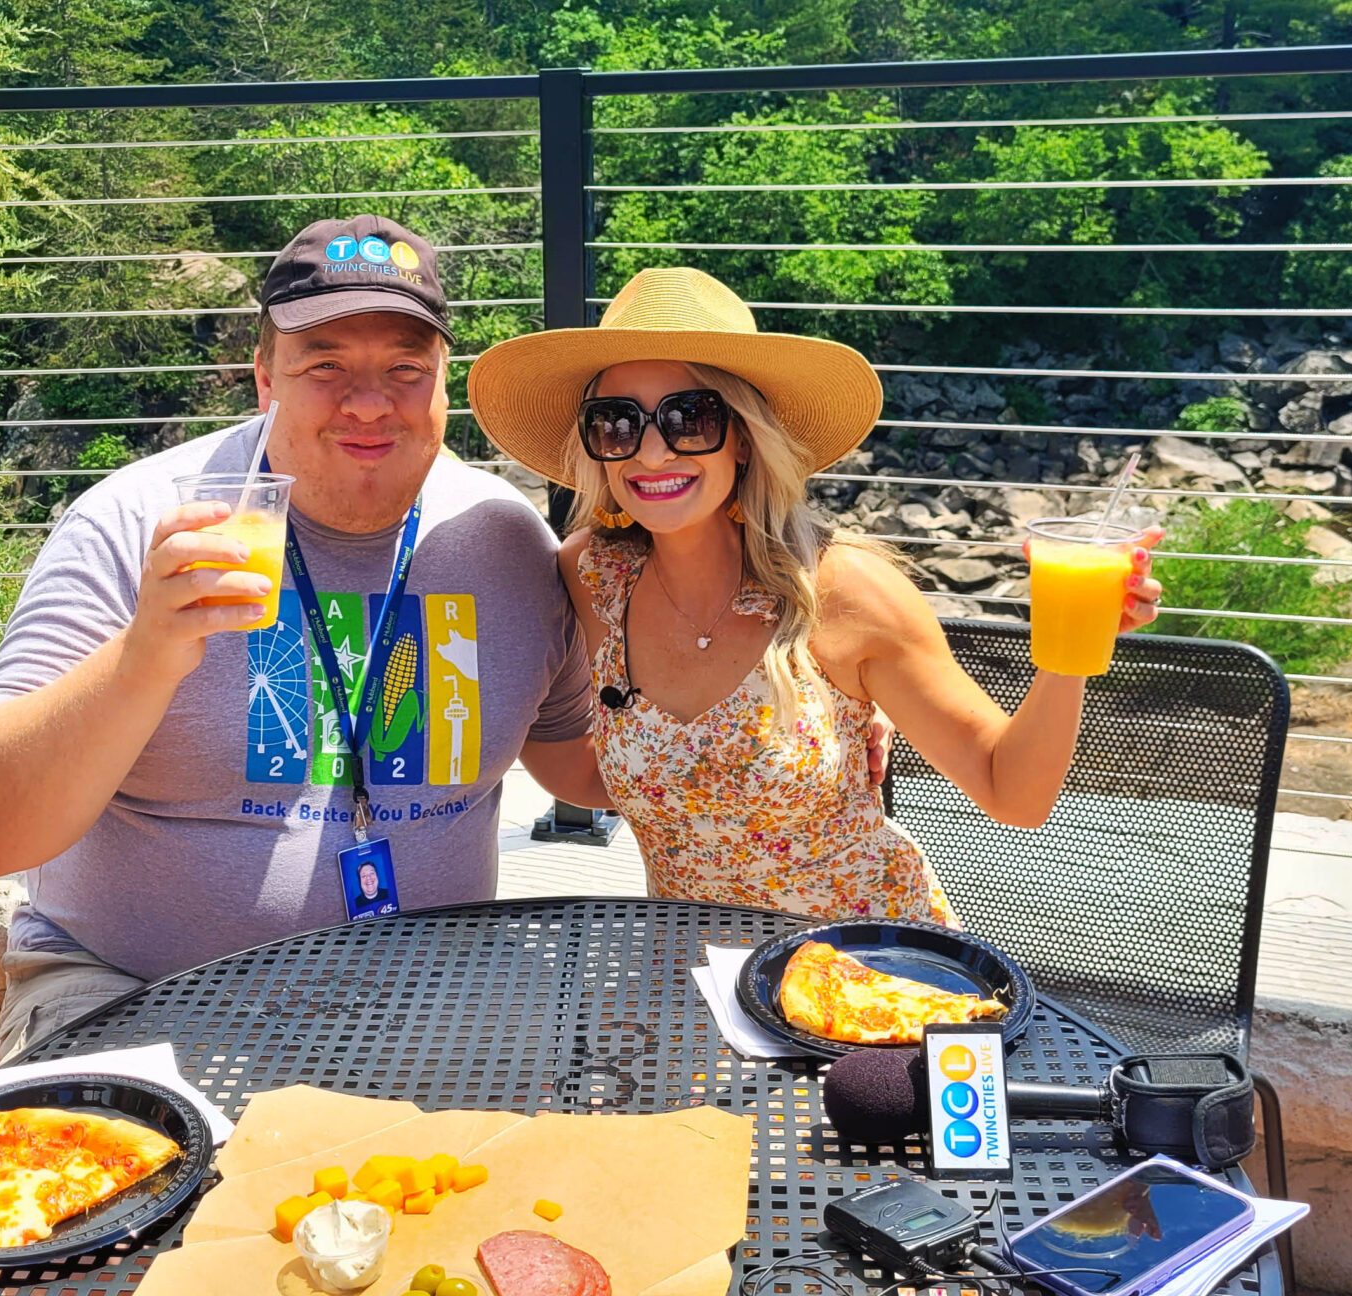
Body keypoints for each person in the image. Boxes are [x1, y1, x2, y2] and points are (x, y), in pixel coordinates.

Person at [0, 215, 608, 1059]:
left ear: (446, 384)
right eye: (325, 366)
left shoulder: (505, 540)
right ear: (264, 378)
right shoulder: (140, 522)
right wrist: (142, 659)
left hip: (429, 989)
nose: (369, 402)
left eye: (406, 369)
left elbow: (578, 761)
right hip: (132, 987)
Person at [467, 267, 1164, 924]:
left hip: (868, 973)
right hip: (694, 984)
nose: (653, 454)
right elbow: (597, 777)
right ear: (596, 448)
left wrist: (1068, 650)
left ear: (742, 437)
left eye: (691, 417)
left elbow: (1014, 793)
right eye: (618, 423)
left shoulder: (842, 590)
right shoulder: (595, 579)